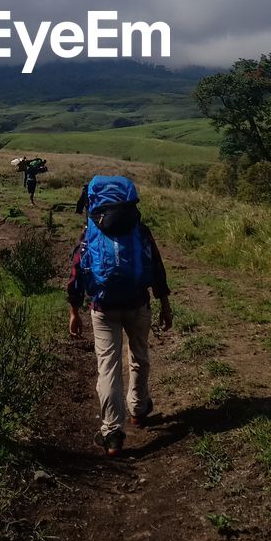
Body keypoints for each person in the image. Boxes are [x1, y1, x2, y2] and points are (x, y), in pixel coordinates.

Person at [67, 175, 173, 456]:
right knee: (139, 356)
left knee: (108, 367)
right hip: (138, 303)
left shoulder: (91, 231)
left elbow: (77, 270)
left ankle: (113, 434)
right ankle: (138, 409)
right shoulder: (140, 229)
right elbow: (156, 266)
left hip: (103, 307)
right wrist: (164, 303)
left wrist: (73, 310)